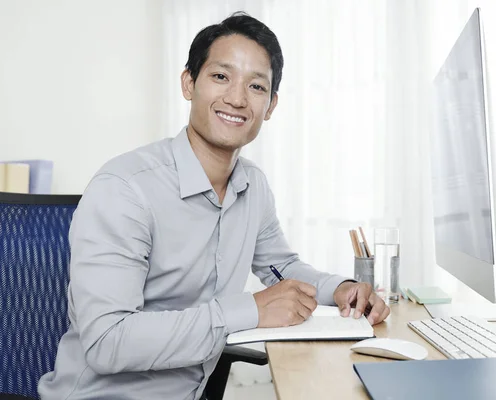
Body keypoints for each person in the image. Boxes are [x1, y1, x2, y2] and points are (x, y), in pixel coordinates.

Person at [38, 12, 390, 400]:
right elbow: (107, 341)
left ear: (271, 106)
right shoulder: (124, 189)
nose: (237, 98)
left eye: (256, 86)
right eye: (221, 76)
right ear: (189, 83)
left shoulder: (252, 185)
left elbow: (281, 267)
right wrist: (249, 309)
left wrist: (341, 288)